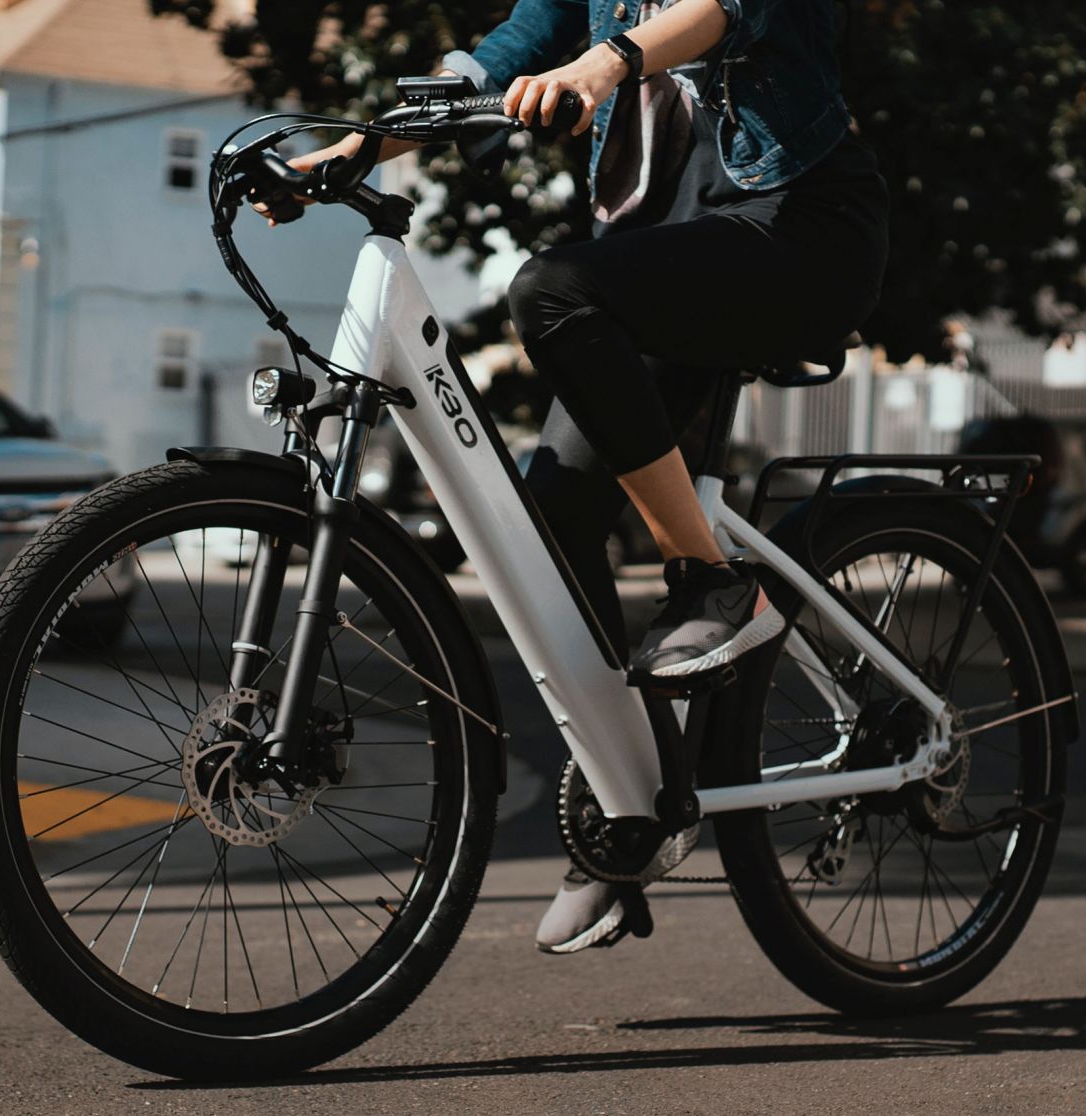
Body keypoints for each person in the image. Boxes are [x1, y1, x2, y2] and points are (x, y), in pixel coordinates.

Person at [283, 0, 889, 953]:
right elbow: (498, 57)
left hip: (797, 231)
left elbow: (724, 10)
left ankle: (712, 581)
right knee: (550, 526)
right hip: (661, 253)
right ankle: (637, 811)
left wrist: (603, 67)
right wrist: (359, 145)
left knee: (550, 289)